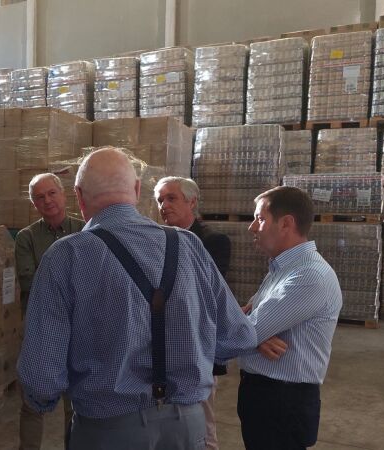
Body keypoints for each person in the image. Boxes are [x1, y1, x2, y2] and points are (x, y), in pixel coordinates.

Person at [17, 147, 259, 450]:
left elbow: (41, 379)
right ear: (136, 189)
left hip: (108, 431)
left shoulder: (65, 256)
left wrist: (44, 401)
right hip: (187, 426)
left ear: (78, 195)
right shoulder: (188, 245)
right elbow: (238, 337)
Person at [238, 186, 342, 450]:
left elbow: (240, 332)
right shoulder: (282, 268)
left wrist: (250, 334)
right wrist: (255, 337)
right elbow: (245, 319)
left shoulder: (307, 276)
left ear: (286, 223)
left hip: (281, 402)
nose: (252, 227)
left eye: (260, 219)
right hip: (267, 395)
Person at [154, 176, 232, 450]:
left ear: (192, 201)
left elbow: (206, 292)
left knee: (202, 427)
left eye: (171, 198)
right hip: (163, 347)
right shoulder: (157, 241)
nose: (164, 205)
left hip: (198, 347)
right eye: (160, 200)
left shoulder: (213, 241)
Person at [15, 173, 84, 450]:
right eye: (40, 197)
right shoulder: (26, 238)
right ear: (34, 204)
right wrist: (73, 285)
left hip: (79, 328)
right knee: (33, 400)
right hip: (41, 329)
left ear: (64, 194)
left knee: (76, 402)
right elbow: (29, 282)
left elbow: (94, 280)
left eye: (52, 193)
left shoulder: (86, 230)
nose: (47, 200)